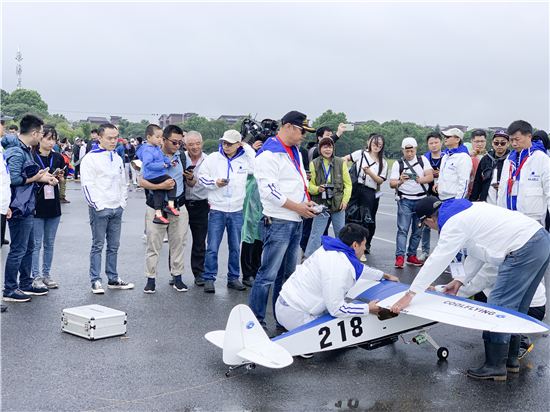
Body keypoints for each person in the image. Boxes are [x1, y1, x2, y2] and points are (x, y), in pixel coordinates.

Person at [391, 196, 550, 381]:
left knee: (498, 305)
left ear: (430, 219)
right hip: (541, 239)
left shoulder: (452, 223)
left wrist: (411, 293)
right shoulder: (468, 209)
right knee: (519, 306)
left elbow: (437, 260)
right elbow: (478, 252)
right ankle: (511, 361)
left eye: (426, 225)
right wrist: (459, 281)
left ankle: (494, 366)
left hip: (523, 248)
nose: (430, 228)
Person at [248, 110, 318, 332]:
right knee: (267, 276)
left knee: (287, 277)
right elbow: (268, 192)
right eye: (301, 130)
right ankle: (255, 323)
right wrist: (297, 206)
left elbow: (297, 182)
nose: (304, 135)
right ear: (287, 126)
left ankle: (282, 320)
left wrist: (306, 203)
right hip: (278, 221)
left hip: (296, 219)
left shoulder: (295, 151)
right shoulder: (269, 154)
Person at [276, 223, 399, 333]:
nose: (365, 248)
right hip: (296, 315)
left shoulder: (333, 248)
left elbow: (359, 268)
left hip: (286, 304)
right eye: (364, 244)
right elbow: (336, 309)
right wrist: (367, 308)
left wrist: (384, 275)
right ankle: (299, 340)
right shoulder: (337, 267)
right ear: (355, 245)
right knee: (348, 324)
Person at [2, 115, 58, 302]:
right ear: (34, 133)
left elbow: (26, 173)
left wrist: (43, 177)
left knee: (29, 246)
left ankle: (25, 283)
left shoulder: (24, 149)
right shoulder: (17, 152)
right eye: (42, 133)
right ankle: (10, 289)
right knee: (18, 248)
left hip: (26, 205)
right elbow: (15, 179)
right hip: (18, 205)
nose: (42, 137)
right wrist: (36, 178)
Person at [198, 130, 256, 293]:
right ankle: (209, 278)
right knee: (212, 247)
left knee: (235, 247)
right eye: (224, 142)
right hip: (217, 209)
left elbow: (257, 167)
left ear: (239, 144)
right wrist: (214, 182)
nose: (226, 146)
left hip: (237, 210)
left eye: (230, 143)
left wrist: (248, 148)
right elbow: (202, 177)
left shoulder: (245, 160)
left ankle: (233, 278)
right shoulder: (213, 158)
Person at [80, 123, 133, 294]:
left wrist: (122, 203)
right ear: (99, 137)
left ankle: (113, 277)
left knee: (114, 246)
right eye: (109, 138)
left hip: (116, 207)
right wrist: (98, 206)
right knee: (98, 245)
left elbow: (123, 182)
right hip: (100, 208)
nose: (113, 141)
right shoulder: (90, 158)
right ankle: (95, 280)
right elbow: (87, 185)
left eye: (115, 137)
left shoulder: (117, 157)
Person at [139, 125, 189, 294]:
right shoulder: (151, 153)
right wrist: (161, 185)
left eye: (180, 142)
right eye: (174, 142)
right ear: (164, 139)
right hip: (156, 205)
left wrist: (190, 177)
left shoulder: (182, 156)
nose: (177, 145)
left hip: (178, 206)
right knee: (153, 244)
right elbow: (141, 181)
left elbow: (191, 181)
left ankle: (178, 277)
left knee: (179, 244)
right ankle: (150, 279)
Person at [389, 137, 433, 268]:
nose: (409, 154)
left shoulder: (422, 160)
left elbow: (430, 177)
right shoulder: (398, 164)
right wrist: (401, 180)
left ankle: (412, 255)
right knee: (403, 229)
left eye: (412, 151)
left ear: (416, 149)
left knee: (417, 230)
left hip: (421, 199)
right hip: (405, 200)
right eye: (406, 151)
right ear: (402, 150)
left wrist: (420, 180)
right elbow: (392, 183)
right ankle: (400, 256)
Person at [305, 136, 352, 258]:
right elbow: (309, 185)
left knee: (341, 234)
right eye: (325, 147)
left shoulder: (340, 162)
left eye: (330, 147)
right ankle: (309, 258)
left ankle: (344, 258)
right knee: (316, 234)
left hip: (338, 204)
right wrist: (317, 189)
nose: (327, 150)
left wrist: (345, 201)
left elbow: (348, 184)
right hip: (321, 204)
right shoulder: (314, 164)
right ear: (320, 148)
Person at [31, 125, 65, 289]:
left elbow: (61, 180)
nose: (51, 142)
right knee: (36, 243)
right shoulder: (31, 156)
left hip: (53, 204)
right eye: (48, 138)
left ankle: (46, 274)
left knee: (50, 243)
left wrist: (60, 178)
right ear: (40, 138)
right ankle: (35, 276)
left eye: (54, 139)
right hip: (36, 204)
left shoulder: (58, 157)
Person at [497, 120, 550, 226]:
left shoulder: (541, 158)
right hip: (509, 218)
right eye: (511, 140)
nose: (514, 144)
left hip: (532, 219)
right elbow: (502, 189)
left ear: (529, 136)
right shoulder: (509, 159)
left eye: (517, 139)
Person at [344, 134, 388, 260]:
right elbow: (346, 158)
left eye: (379, 144)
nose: (376, 147)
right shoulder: (361, 154)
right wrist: (346, 173)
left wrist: (369, 173)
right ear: (369, 143)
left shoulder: (383, 162)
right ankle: (349, 245)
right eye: (374, 144)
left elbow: (380, 180)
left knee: (366, 219)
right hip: (356, 187)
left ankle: (363, 247)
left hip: (370, 191)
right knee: (350, 216)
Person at [136, 124, 180, 225]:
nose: (160, 139)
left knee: (158, 193)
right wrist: (162, 165)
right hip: (153, 175)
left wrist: (169, 163)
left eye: (161, 137)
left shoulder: (156, 148)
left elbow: (163, 158)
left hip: (155, 175)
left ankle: (158, 215)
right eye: (157, 137)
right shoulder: (147, 150)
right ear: (148, 137)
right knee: (172, 183)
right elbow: (148, 164)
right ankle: (171, 204)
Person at [182, 131, 209, 287]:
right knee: (177, 240)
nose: (195, 147)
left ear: (202, 143)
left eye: (197, 143)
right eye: (191, 144)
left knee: (199, 242)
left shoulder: (209, 160)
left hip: (201, 204)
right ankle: (176, 273)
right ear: (185, 145)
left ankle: (199, 273)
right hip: (182, 203)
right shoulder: (180, 158)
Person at [419, 131, 443, 261]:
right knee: (426, 223)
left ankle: (441, 251)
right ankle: (425, 251)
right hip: (427, 193)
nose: (434, 145)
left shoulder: (447, 156)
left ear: (441, 142)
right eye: (431, 143)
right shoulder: (424, 158)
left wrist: (441, 174)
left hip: (442, 194)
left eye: (436, 142)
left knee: (443, 223)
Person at [469, 130, 510, 204]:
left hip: (505, 203)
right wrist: (473, 202)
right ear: (492, 143)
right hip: (487, 202)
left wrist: (504, 185)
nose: (499, 145)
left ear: (508, 144)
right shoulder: (486, 159)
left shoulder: (511, 160)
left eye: (503, 143)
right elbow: (477, 183)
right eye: (496, 143)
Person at [434, 128, 472, 201]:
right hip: (442, 197)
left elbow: (464, 182)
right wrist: (438, 183)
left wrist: (458, 201)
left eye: (448, 137)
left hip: (453, 198)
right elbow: (442, 174)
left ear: (457, 139)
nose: (445, 138)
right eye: (445, 137)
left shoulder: (463, 157)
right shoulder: (445, 156)